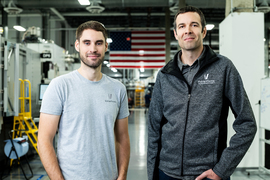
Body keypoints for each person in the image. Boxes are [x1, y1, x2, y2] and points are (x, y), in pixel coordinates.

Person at [147, 6, 257, 180]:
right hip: (167, 172)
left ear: (204, 31)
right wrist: (152, 174)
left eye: (194, 25)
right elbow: (154, 127)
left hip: (207, 174)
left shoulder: (223, 68)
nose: (188, 30)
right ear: (176, 34)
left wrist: (222, 169)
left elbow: (247, 124)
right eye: (182, 26)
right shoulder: (165, 74)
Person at [37, 21, 130, 180]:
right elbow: (44, 140)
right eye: (87, 43)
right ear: (77, 45)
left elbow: (122, 138)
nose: (93, 49)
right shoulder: (60, 86)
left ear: (106, 47)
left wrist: (122, 176)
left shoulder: (118, 89)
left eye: (98, 43)